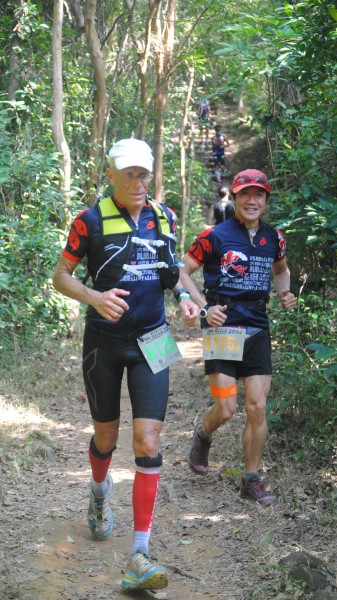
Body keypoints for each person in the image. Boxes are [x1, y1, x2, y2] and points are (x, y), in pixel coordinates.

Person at [52, 138, 199, 590]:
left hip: (154, 338)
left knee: (148, 439)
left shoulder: (164, 216)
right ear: (111, 174)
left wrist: (185, 297)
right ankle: (99, 493)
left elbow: (171, 269)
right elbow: (60, 276)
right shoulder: (90, 220)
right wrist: (95, 297)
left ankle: (140, 553)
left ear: (151, 175)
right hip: (104, 342)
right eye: (128, 174)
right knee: (106, 436)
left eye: (143, 174)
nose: (137, 182)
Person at [179, 169, 296, 506]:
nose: (252, 200)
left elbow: (281, 270)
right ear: (235, 197)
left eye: (259, 194)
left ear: (266, 200)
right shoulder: (213, 236)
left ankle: (251, 479)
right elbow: (182, 270)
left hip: (257, 326)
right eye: (245, 194)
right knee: (227, 408)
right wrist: (203, 308)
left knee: (257, 406)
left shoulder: (275, 238)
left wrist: (284, 292)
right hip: (223, 329)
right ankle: (203, 433)